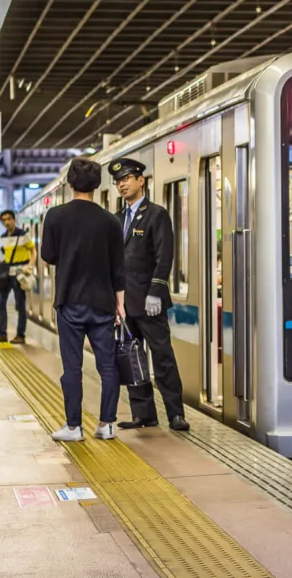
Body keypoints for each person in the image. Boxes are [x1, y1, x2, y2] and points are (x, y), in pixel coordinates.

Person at [42, 157, 125, 441]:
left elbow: (48, 256)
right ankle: (107, 424)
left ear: (70, 182)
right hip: (102, 304)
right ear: (98, 185)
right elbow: (118, 268)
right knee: (108, 365)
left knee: (72, 367)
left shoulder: (55, 216)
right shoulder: (111, 221)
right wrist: (120, 305)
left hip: (69, 302)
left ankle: (73, 427)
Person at [111, 157, 189, 432]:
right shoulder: (116, 219)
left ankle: (175, 413)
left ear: (140, 180)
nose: (121, 184)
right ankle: (144, 414)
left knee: (162, 356)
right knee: (133, 358)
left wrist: (156, 290)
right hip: (125, 304)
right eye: (118, 181)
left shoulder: (156, 214)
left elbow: (164, 256)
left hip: (149, 302)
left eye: (126, 179)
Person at [0, 210, 36, 344]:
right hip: (6, 274)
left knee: (20, 305)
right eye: (4, 220)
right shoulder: (3, 237)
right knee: (0, 303)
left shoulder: (23, 235)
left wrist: (30, 266)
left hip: (19, 273)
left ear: (14, 219)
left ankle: (20, 335)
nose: (7, 222)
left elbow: (33, 252)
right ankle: (2, 333)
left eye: (9, 219)